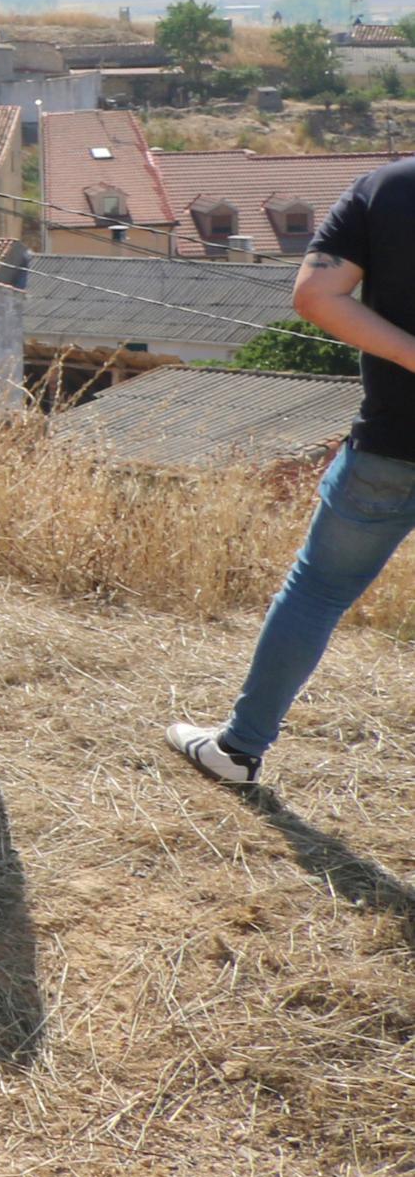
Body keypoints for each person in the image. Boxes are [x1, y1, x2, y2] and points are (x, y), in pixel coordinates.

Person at [167, 157, 415, 785]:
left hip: (393, 444)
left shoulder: (388, 189)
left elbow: (313, 295)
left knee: (317, 591)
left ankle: (240, 750)